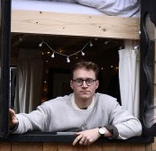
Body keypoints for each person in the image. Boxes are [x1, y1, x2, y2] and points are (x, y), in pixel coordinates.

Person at [9, 60, 142, 145]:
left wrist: (100, 131)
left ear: (96, 84)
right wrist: (15, 122)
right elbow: (30, 120)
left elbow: (135, 126)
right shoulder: (54, 106)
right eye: (79, 81)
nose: (84, 85)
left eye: (89, 81)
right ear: (72, 84)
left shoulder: (108, 103)